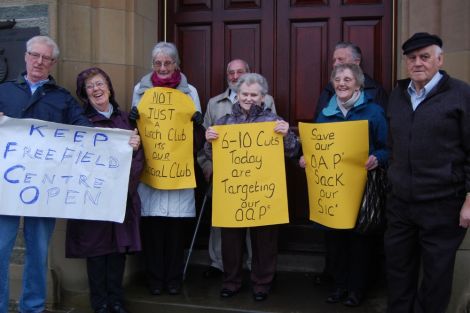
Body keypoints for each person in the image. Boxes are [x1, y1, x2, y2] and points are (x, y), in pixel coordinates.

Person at [0, 35, 92, 313]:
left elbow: (86, 133)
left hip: (44, 187)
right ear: (26, 57)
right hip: (6, 185)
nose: (40, 62)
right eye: (35, 55)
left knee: (38, 253)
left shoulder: (62, 98)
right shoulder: (3, 91)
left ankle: (33, 307)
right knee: (0, 251)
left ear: (53, 63)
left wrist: (123, 142)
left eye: (46, 58)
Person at [385, 32, 470, 313]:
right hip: (400, 204)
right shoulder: (397, 95)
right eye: (412, 58)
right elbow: (393, 144)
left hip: (443, 203)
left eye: (424, 57)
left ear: (439, 59)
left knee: (436, 277)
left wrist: (469, 199)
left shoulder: (461, 94)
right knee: (398, 271)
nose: (418, 63)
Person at [205, 73, 299, 301]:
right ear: (237, 95)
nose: (248, 98)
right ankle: (231, 281)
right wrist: (209, 141)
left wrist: (287, 136)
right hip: (233, 192)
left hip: (263, 192)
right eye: (244, 94)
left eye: (253, 94)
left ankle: (262, 283)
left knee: (264, 240)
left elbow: (293, 151)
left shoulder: (273, 121)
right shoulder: (224, 122)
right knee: (231, 240)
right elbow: (211, 155)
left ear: (263, 97)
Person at [300, 63, 388, 306]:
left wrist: (378, 158)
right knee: (335, 239)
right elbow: (315, 147)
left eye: (348, 79)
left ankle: (356, 289)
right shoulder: (325, 114)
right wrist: (307, 158)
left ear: (358, 84)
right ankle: (339, 286)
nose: (342, 83)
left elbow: (388, 148)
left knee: (359, 241)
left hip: (362, 186)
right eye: (338, 79)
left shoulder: (374, 112)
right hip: (332, 188)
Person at [65, 67, 144, 313]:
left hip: (121, 198)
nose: (96, 89)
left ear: (109, 88)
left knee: (118, 251)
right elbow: (71, 158)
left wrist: (134, 150)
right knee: (97, 252)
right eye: (90, 86)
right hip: (92, 198)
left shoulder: (126, 120)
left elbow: (139, 159)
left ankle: (116, 300)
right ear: (84, 94)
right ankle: (99, 303)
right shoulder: (80, 122)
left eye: (100, 84)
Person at [131, 41, 202, 296]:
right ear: (153, 64)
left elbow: (195, 135)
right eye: (158, 63)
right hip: (152, 168)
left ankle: (173, 278)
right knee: (153, 227)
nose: (162, 67)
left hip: (177, 168)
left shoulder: (189, 91)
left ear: (176, 64)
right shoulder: (140, 90)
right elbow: (137, 130)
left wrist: (197, 124)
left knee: (175, 229)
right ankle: (154, 278)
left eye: (167, 63)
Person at [197, 59, 277, 278]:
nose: (233, 76)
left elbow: (277, 144)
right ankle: (222, 268)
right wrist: (208, 163)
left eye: (239, 72)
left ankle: (256, 270)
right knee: (225, 227)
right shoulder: (217, 107)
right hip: (227, 178)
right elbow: (206, 140)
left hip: (258, 179)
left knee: (259, 227)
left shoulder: (268, 105)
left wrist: (285, 133)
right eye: (230, 72)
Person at [314, 41, 388, 118]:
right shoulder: (328, 90)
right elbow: (318, 121)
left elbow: (381, 125)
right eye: (334, 60)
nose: (335, 64)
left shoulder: (375, 90)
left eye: (340, 59)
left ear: (356, 62)